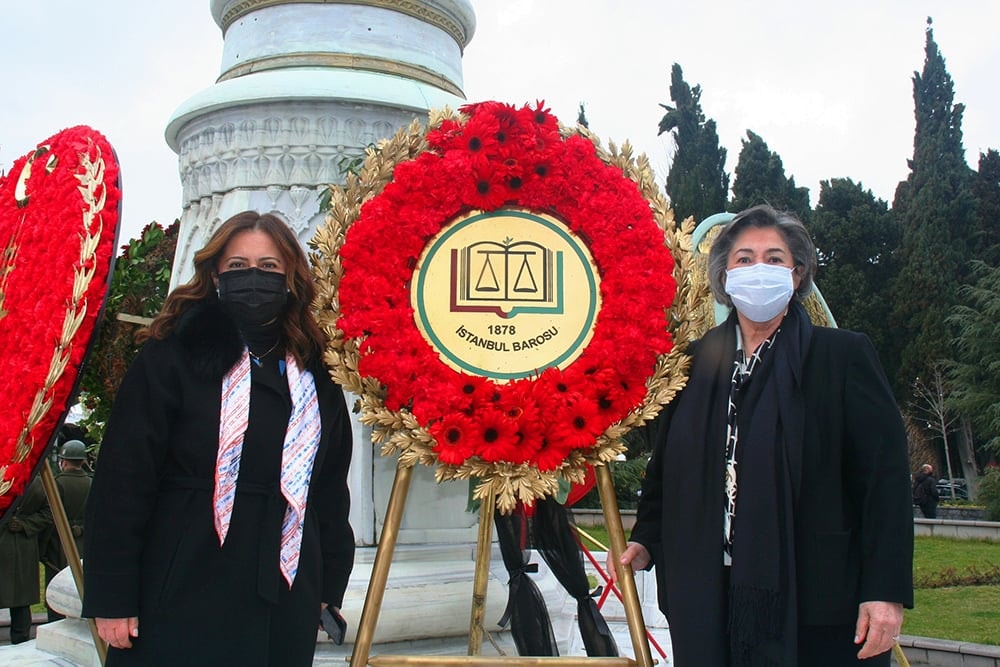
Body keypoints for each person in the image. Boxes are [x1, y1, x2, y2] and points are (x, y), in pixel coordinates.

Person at [610, 205, 913, 666]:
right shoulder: (691, 364)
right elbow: (668, 465)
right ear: (725, 277)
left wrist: (885, 592)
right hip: (707, 593)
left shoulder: (842, 358)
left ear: (797, 275)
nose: (759, 270)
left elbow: (884, 484)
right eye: (745, 259)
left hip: (816, 599)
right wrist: (647, 536)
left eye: (774, 259)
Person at [83, 211, 355, 667]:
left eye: (269, 267)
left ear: (290, 277)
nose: (254, 277)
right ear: (214, 275)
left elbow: (328, 487)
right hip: (183, 575)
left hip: (282, 586)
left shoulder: (315, 372)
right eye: (237, 266)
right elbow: (122, 481)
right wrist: (112, 595)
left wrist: (326, 589)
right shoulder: (171, 355)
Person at [38, 439, 93, 621]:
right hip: (84, 543)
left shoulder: (56, 483)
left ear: (64, 461)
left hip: (59, 544)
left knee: (57, 591)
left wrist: (42, 551)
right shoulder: (92, 483)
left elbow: (49, 518)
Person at [0, 477, 51, 643]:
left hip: (21, 548)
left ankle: (21, 642)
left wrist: (24, 524)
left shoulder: (35, 483)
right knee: (21, 599)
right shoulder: (37, 482)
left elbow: (48, 513)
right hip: (22, 547)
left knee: (21, 600)